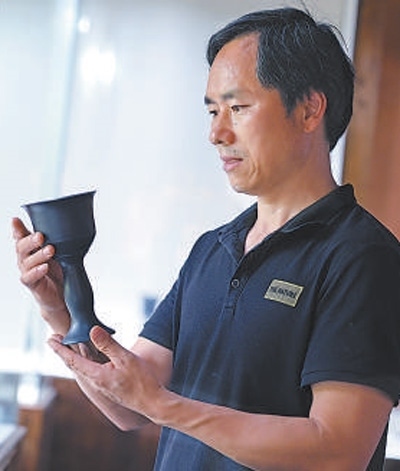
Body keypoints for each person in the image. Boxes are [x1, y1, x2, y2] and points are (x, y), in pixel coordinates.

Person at [12, 7, 400, 471]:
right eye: (213, 111)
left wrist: (163, 405)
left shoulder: (364, 257)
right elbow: (130, 406)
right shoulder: (212, 249)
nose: (216, 133)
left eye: (238, 108)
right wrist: (61, 310)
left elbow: (337, 451)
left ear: (309, 109)